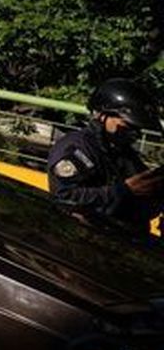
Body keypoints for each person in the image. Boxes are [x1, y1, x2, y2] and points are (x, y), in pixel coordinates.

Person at [48, 78, 164, 235]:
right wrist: (124, 191)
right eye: (128, 126)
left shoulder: (121, 151)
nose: (134, 134)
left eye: (138, 129)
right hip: (87, 240)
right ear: (103, 115)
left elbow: (141, 190)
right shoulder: (77, 148)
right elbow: (64, 197)